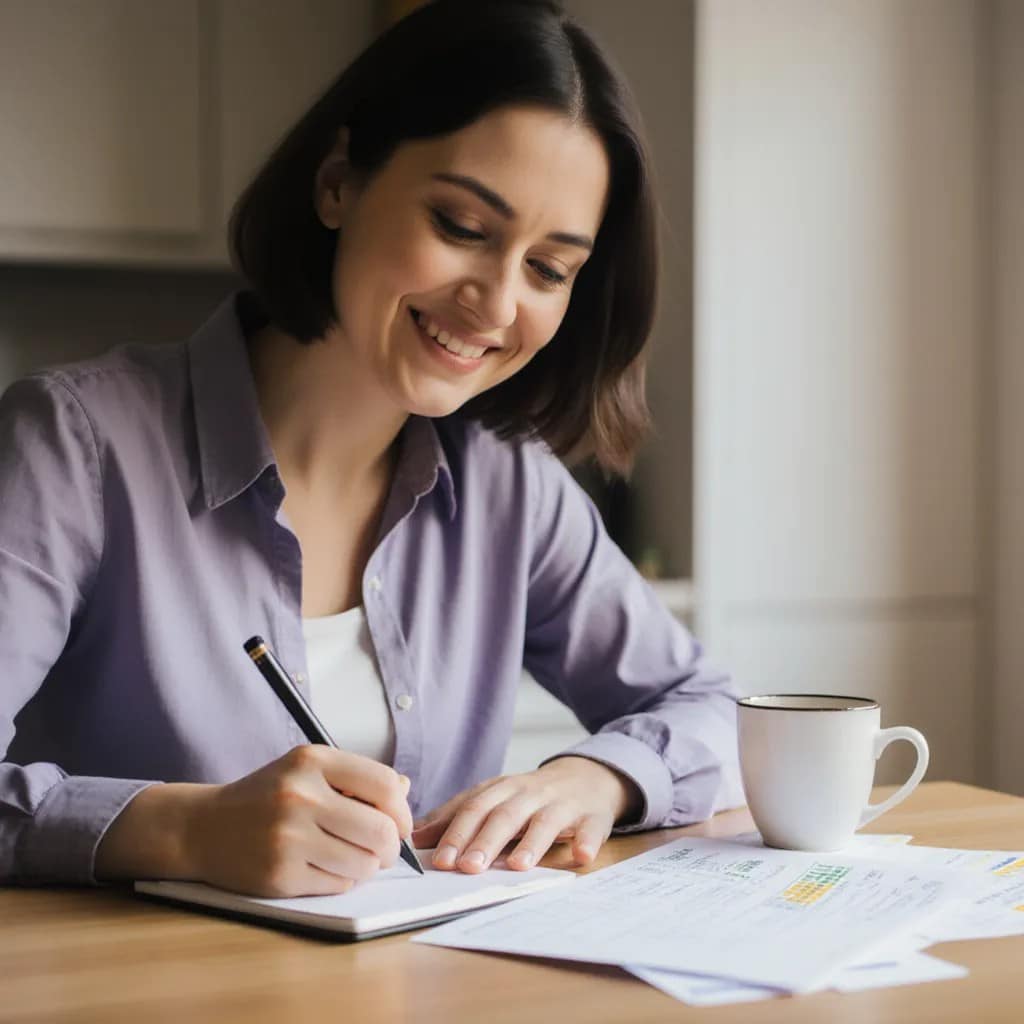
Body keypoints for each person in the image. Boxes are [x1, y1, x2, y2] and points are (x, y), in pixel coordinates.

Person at [0, 0, 741, 897]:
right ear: (339, 182)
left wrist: (598, 779)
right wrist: (180, 830)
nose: (498, 304)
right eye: (463, 227)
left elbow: (712, 710)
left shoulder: (511, 488)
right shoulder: (74, 447)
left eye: (549, 268)